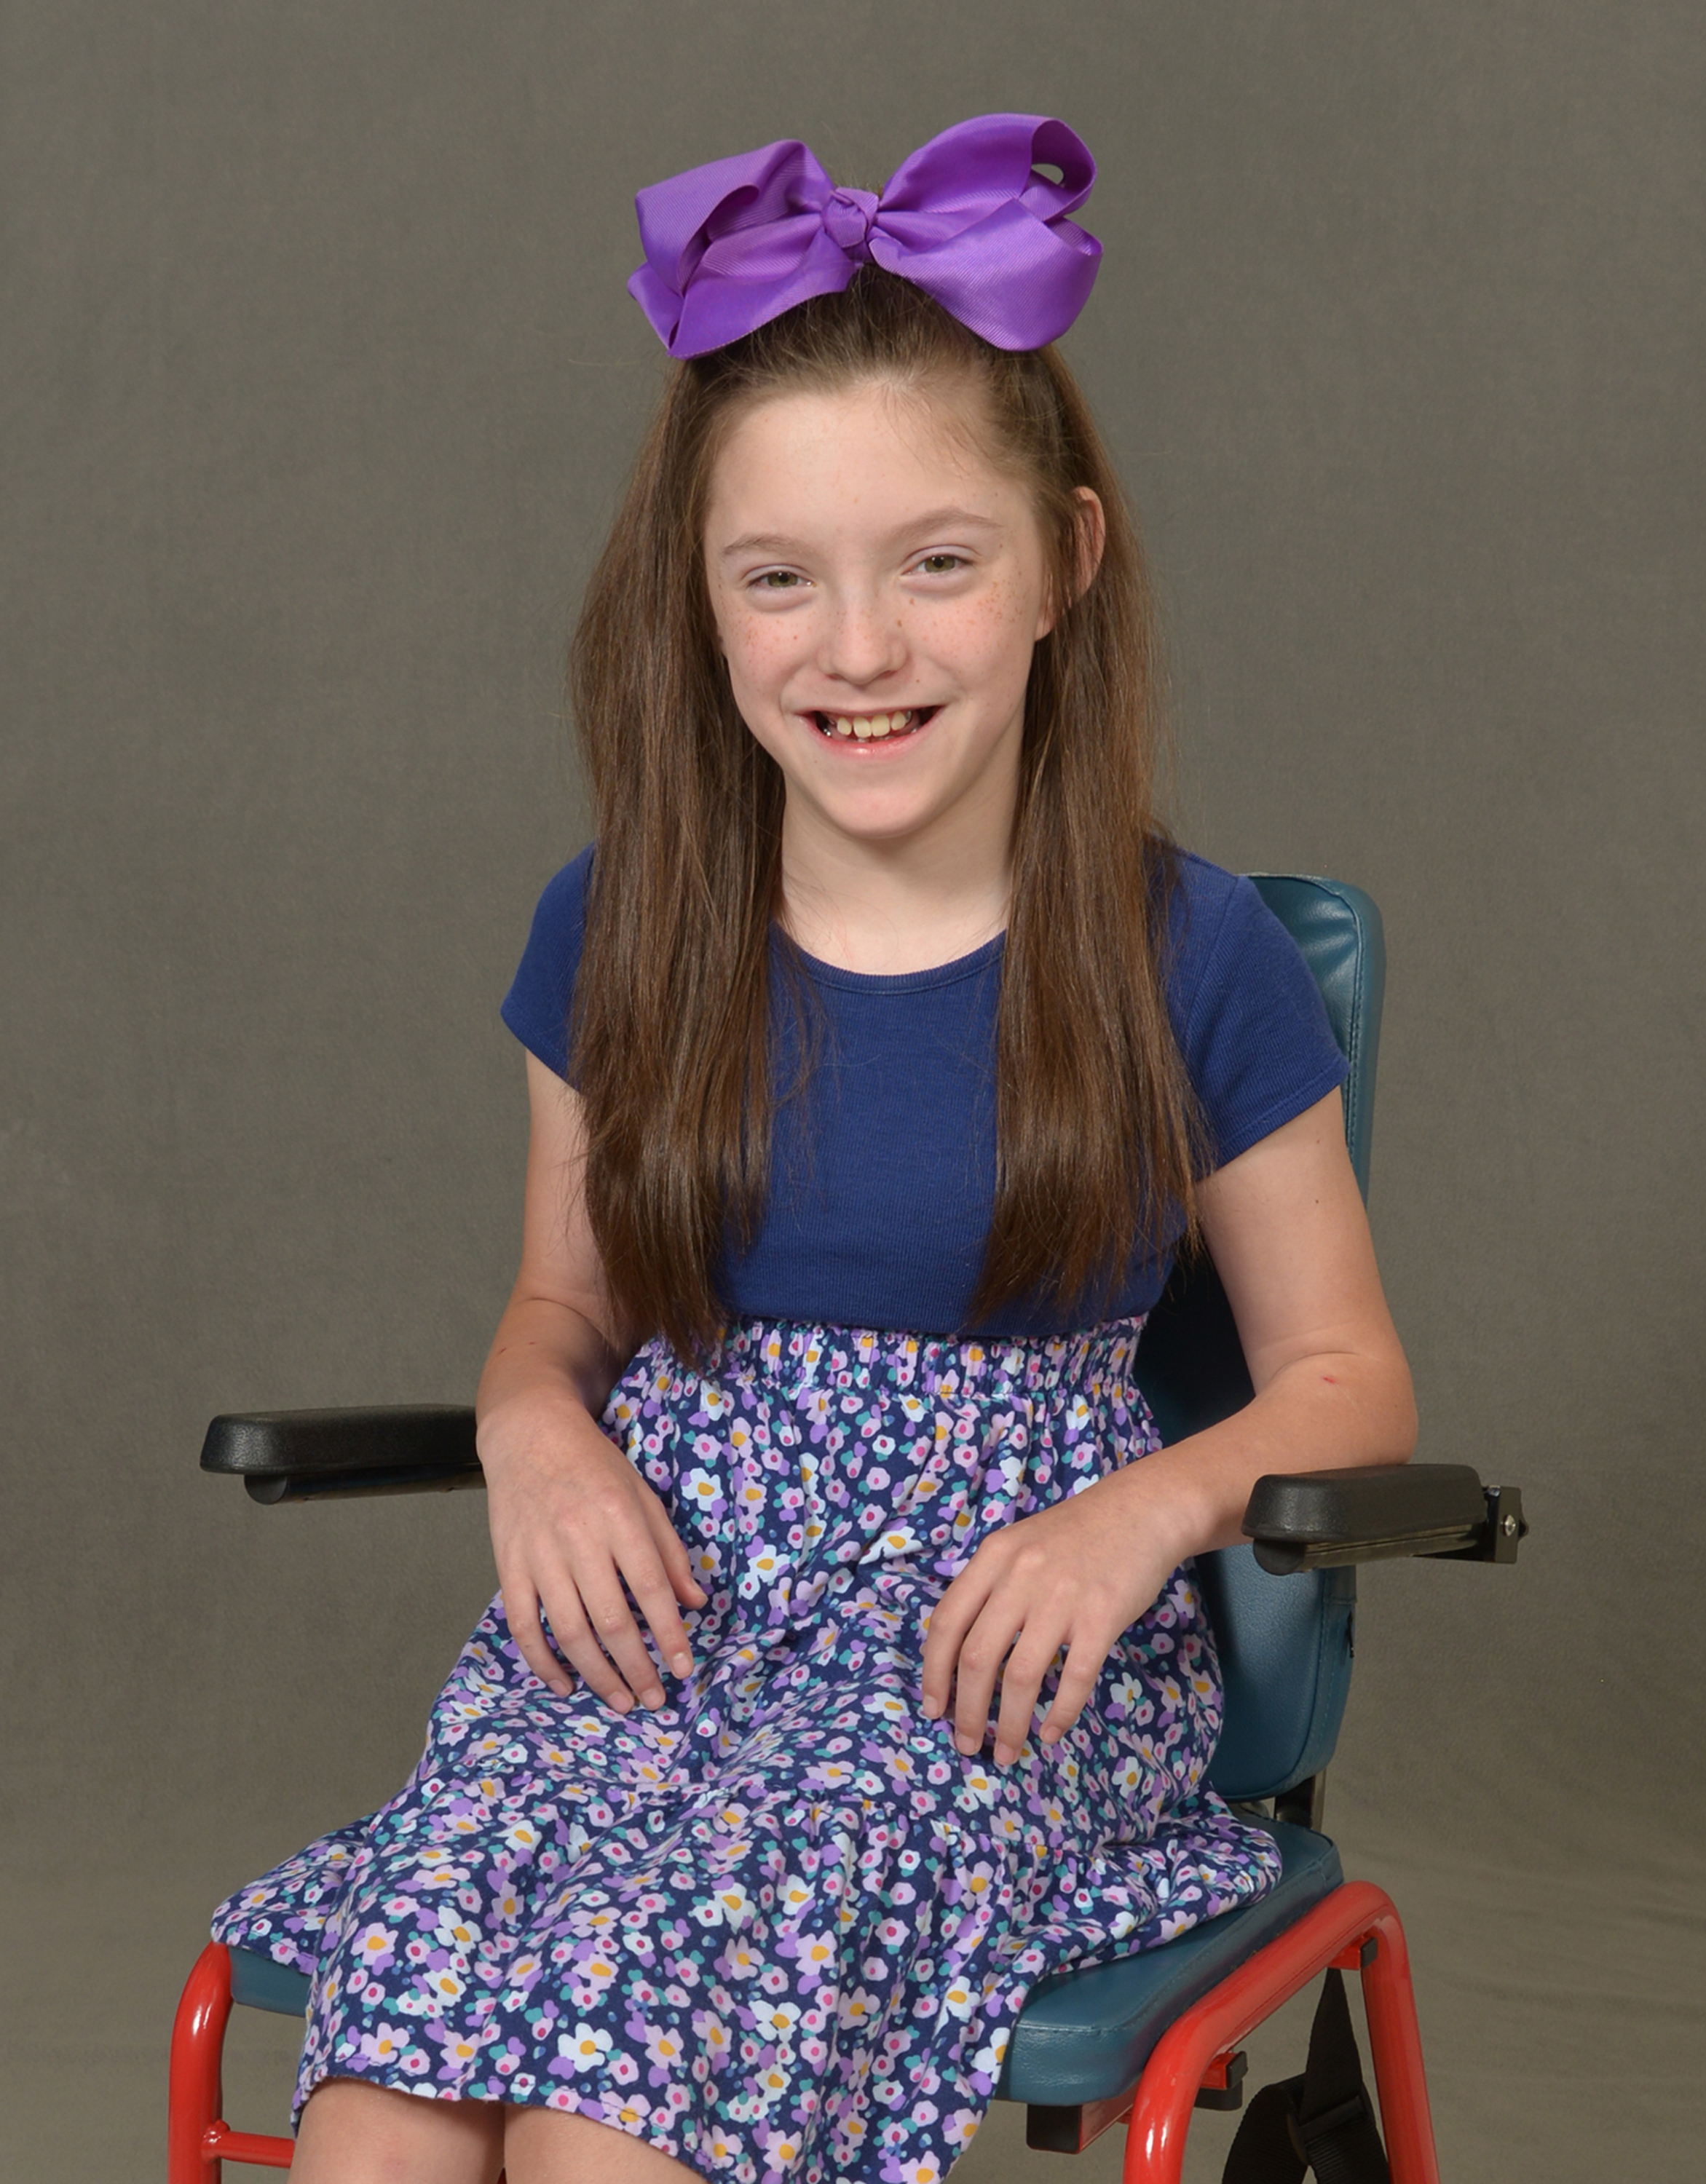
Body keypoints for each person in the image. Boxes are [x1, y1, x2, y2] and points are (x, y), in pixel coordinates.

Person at [210, 114, 1416, 2184]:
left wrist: (1136, 1518)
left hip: (992, 1661)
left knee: (610, 2099)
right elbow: (565, 1303)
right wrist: (534, 1427)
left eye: (939, 563)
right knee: (388, 2087)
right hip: (660, 1624)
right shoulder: (619, 931)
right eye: (780, 579)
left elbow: (1350, 1377)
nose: (859, 650)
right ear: (702, 603)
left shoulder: (1186, 952)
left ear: (1068, 565)